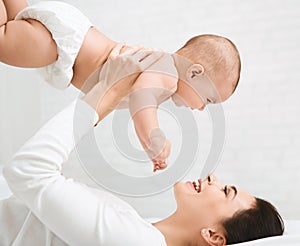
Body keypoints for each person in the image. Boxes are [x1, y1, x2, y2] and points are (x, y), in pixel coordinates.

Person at [2, 46, 284, 246]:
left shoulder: (136, 241)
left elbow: (28, 171)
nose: (214, 178)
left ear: (213, 236)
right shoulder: (139, 227)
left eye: (226, 191)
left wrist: (108, 92)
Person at [0, 0, 241, 172]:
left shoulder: (162, 68)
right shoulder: (167, 74)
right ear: (195, 72)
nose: (201, 108)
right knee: (3, 39)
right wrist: (153, 137)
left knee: (14, 19)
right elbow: (141, 100)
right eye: (208, 100)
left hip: (70, 34)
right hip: (65, 45)